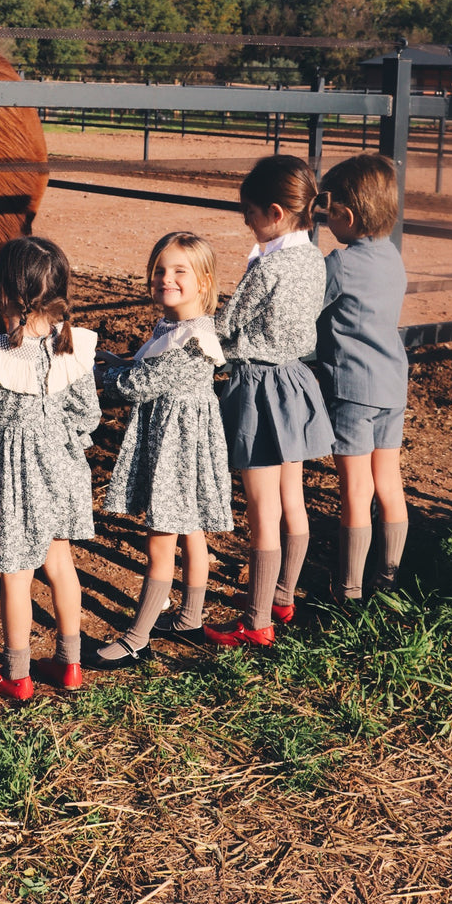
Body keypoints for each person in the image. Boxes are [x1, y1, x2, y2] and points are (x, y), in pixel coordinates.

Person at [0, 236, 100, 699]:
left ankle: (17, 676)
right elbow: (87, 415)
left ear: (1, 293)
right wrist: (60, 443)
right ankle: (69, 665)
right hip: (63, 469)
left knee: (16, 576)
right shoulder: (72, 348)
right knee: (60, 564)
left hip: (15, 478)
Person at [204, 154, 333, 648]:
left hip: (258, 388)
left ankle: (256, 622)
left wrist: (187, 332)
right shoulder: (314, 259)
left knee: (262, 513)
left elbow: (228, 324)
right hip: (297, 383)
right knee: (291, 501)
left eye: (250, 212)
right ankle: (283, 596)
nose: (246, 221)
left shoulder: (270, 265)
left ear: (276, 213)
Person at [94, 232, 233, 668]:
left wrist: (96, 375)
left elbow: (140, 385)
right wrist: (117, 360)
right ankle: (189, 618)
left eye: (179, 271)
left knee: (161, 540)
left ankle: (138, 638)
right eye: (159, 270)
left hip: (176, 447)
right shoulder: (173, 326)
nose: (165, 278)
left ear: (205, 282)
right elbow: (144, 366)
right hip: (179, 441)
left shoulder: (193, 340)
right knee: (189, 528)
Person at [316, 153, 409, 599]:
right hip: (392, 384)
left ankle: (348, 589)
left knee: (355, 488)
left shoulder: (341, 263)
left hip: (353, 389)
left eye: (329, 212)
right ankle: (387, 579)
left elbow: (308, 309)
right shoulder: (392, 256)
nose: (327, 220)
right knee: (388, 482)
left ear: (346, 216)